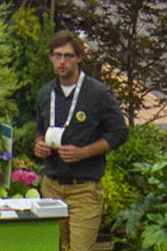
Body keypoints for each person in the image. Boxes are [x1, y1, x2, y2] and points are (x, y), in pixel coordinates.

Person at [33, 32, 128, 251]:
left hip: (84, 189)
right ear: (50, 57)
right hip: (52, 186)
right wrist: (39, 143)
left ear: (79, 58)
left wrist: (83, 152)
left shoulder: (97, 93)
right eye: (57, 55)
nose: (62, 61)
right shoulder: (46, 93)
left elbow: (120, 133)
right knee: (55, 247)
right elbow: (40, 127)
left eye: (68, 55)